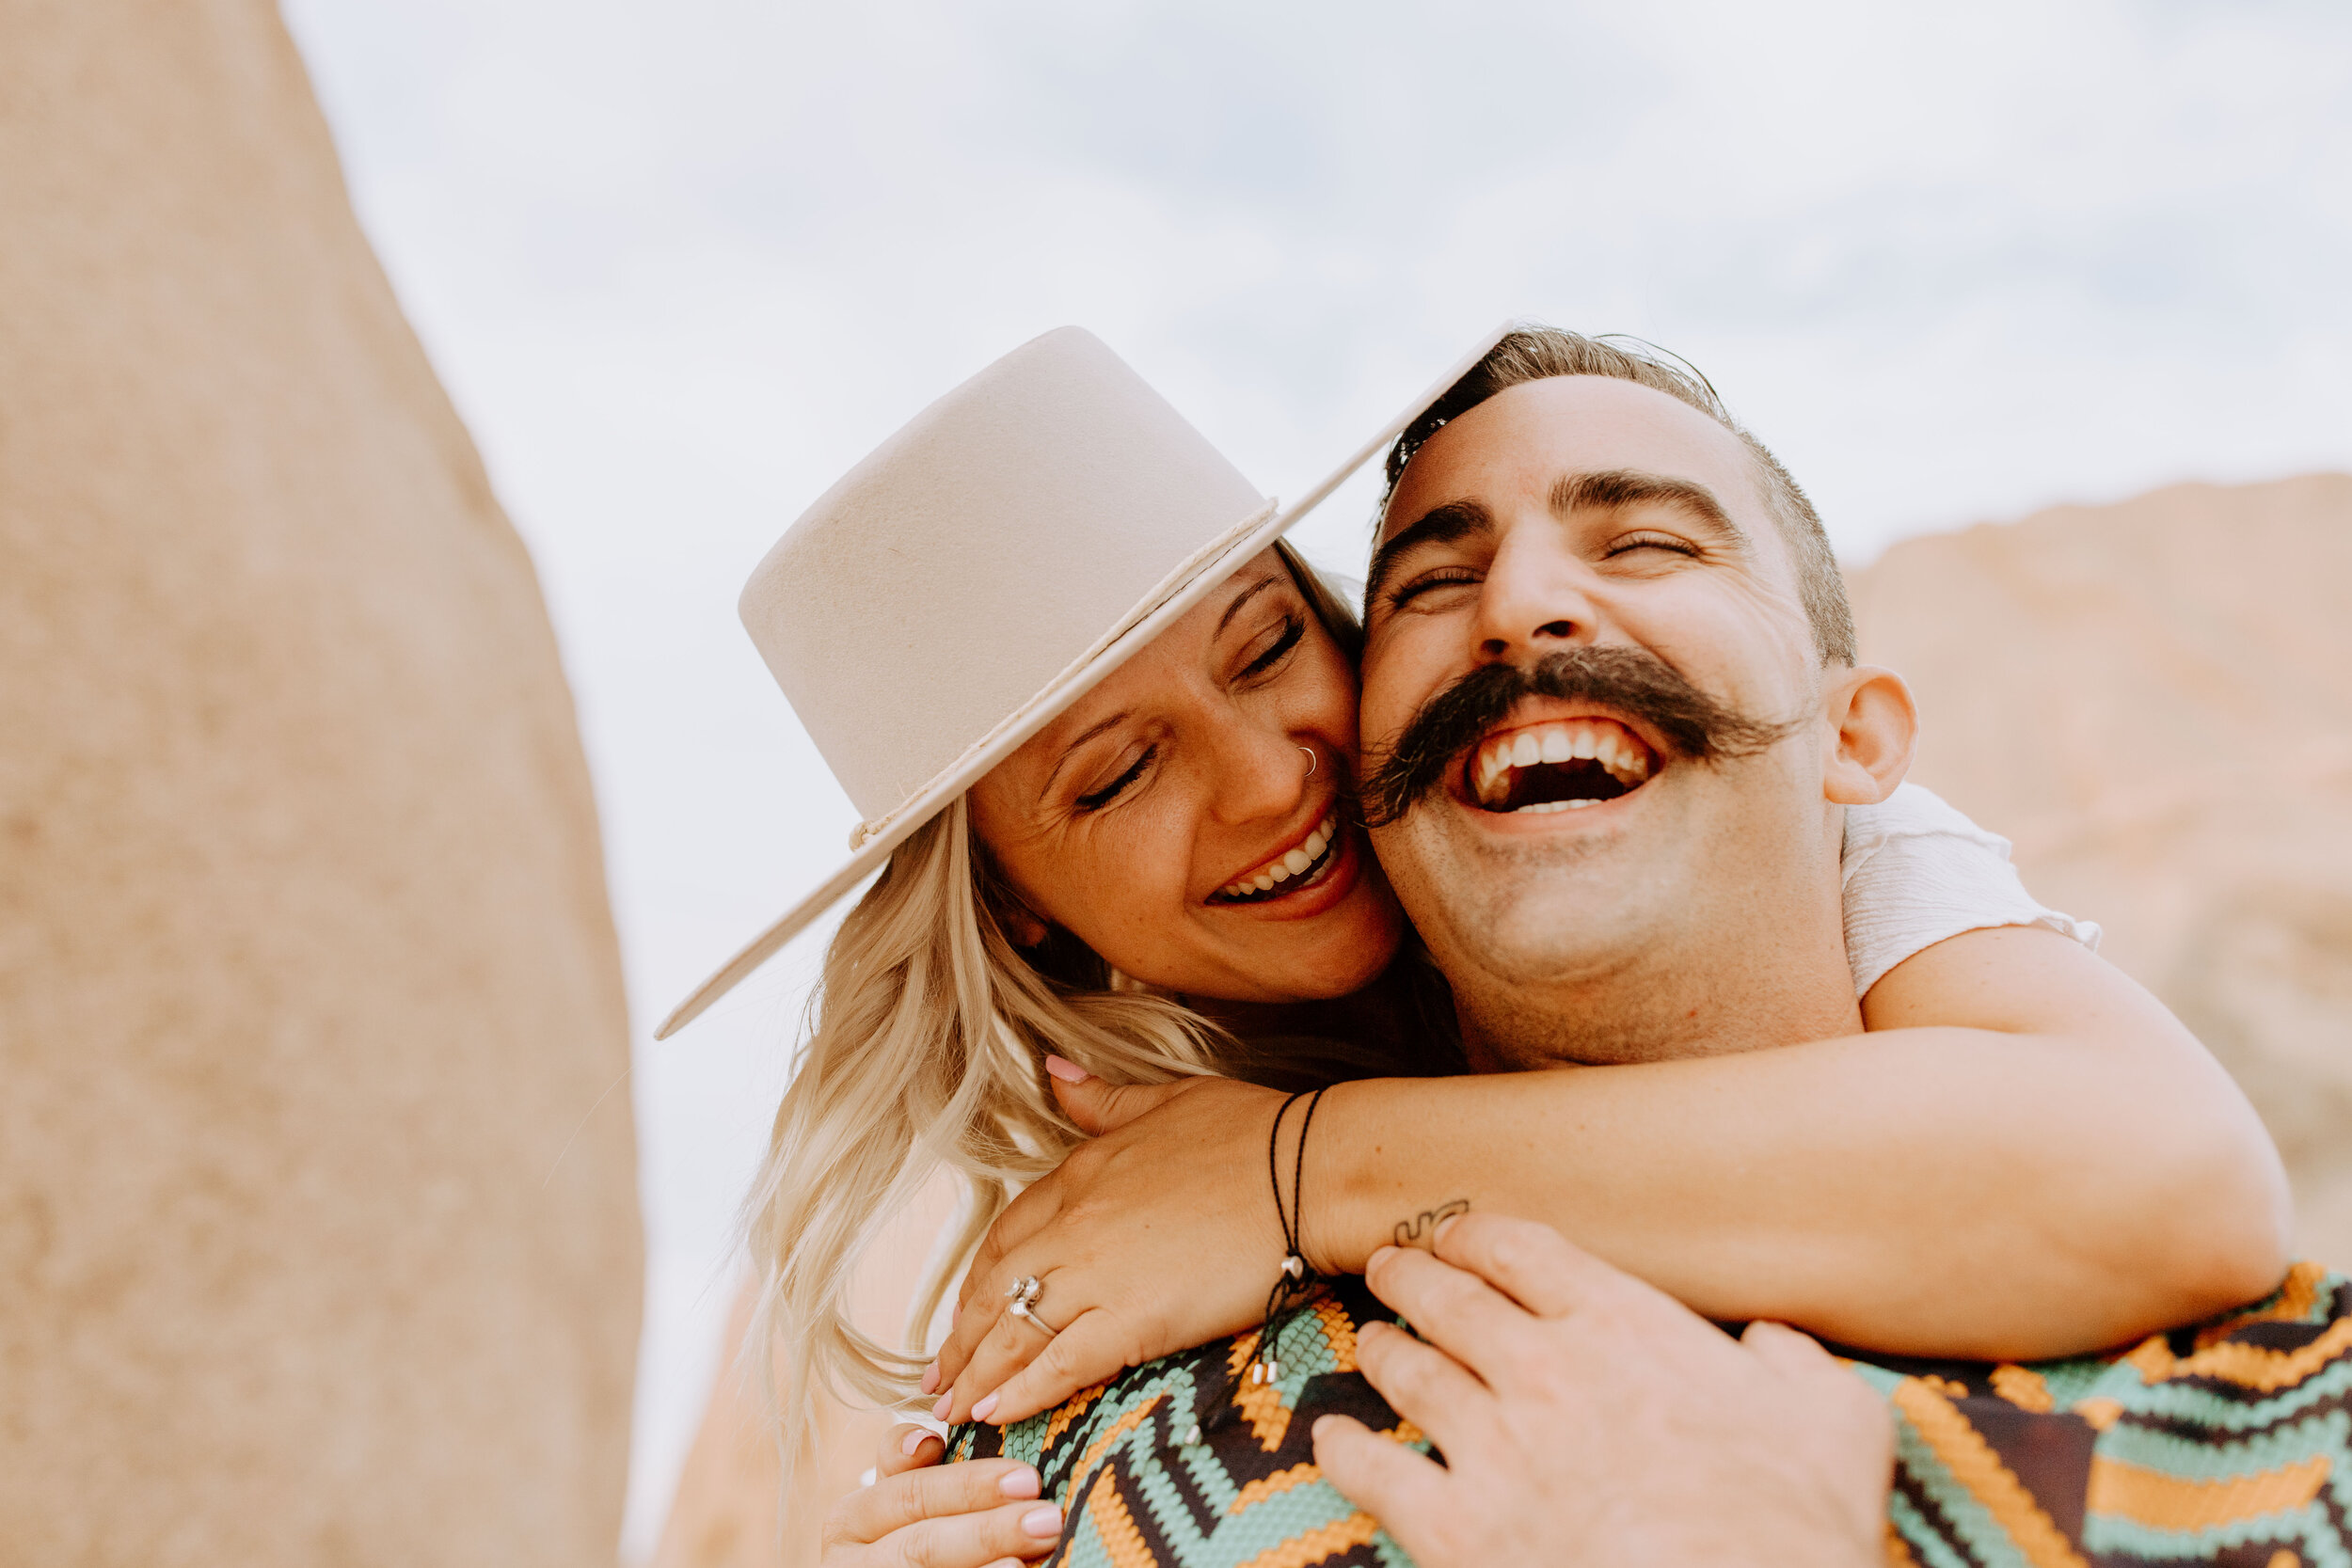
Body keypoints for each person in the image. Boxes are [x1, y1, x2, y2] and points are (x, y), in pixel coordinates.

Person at [657, 326, 2286, 1567]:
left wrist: (1299, 1168)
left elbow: (2163, 1176)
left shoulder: (1852, 847)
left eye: (1268, 647)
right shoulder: (1126, 1244)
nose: (1265, 774)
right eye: (1119, 774)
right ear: (1024, 910)